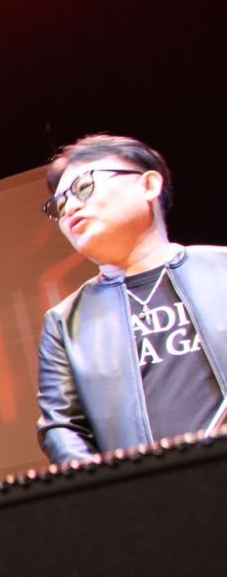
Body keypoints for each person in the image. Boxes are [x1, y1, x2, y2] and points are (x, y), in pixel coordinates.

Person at [37, 134, 227, 464]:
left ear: (148, 185)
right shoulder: (65, 323)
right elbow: (62, 428)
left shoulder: (221, 269)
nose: (71, 208)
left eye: (84, 187)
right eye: (60, 205)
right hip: (152, 493)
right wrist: (114, 487)